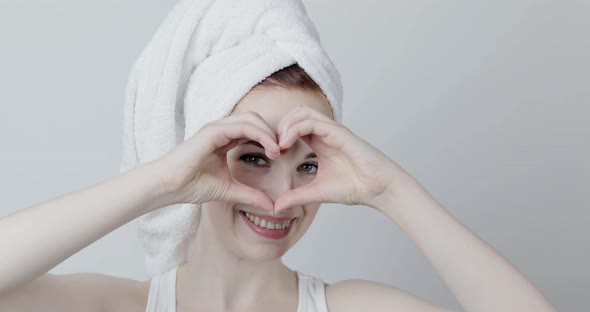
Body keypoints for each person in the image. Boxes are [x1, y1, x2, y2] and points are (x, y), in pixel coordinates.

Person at [0, 63, 557, 312]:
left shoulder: (350, 307)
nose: (282, 194)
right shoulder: (117, 306)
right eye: (252, 158)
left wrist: (390, 190)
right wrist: (161, 181)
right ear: (197, 158)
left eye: (309, 166)